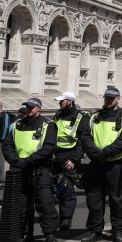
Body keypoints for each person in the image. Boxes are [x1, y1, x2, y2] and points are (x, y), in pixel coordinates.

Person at [78, 87, 122, 242]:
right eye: (106, 98)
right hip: (96, 163)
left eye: (111, 98)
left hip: (115, 164)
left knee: (117, 199)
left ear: (118, 98)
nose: (108, 101)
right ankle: (95, 230)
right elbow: (85, 136)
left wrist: (105, 153)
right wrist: (95, 153)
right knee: (94, 199)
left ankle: (118, 230)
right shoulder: (94, 116)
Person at [2, 98, 59, 242]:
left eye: (31, 107)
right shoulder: (17, 125)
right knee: (22, 205)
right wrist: (15, 161)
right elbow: (7, 146)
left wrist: (28, 161)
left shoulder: (48, 125)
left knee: (44, 203)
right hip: (20, 169)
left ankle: (49, 234)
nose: (28, 109)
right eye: (27, 107)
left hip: (39, 170)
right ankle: (25, 233)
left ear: (39, 108)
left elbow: (49, 147)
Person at [51, 92, 86, 231]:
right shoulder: (58, 114)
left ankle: (66, 219)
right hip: (55, 156)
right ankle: (55, 217)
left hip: (69, 157)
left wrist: (74, 159)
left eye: (61, 101)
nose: (59, 104)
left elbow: (83, 141)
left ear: (70, 102)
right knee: (53, 189)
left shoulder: (80, 117)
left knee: (66, 189)